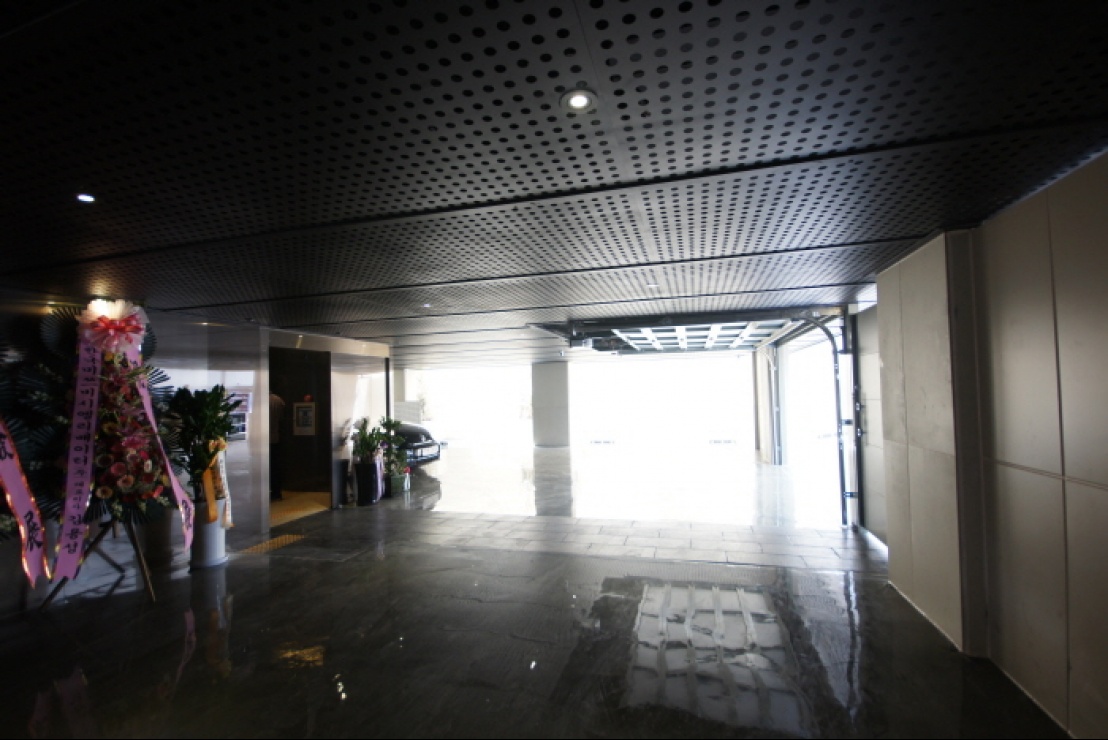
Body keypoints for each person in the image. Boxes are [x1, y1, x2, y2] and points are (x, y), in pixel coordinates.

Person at [270, 391, 285, 501]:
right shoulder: (278, 400)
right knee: (275, 467)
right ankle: (276, 492)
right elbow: (282, 419)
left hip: (262, 440)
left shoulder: (260, 400)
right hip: (275, 437)